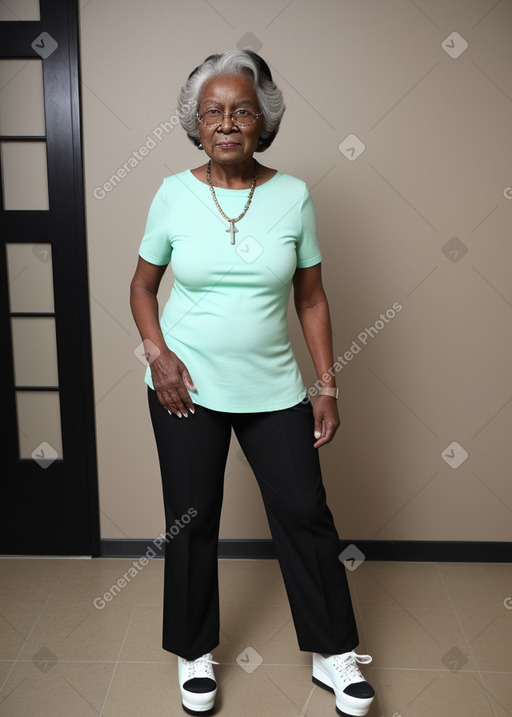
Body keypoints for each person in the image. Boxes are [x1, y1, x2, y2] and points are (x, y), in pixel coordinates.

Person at [130, 50, 374, 717]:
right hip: (186, 387)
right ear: (196, 121)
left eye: (242, 110)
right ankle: (193, 650)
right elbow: (143, 286)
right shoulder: (174, 194)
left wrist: (327, 386)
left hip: (274, 388)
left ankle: (333, 651)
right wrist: (158, 356)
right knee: (193, 518)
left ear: (262, 119)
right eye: (213, 111)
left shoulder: (292, 194)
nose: (228, 122)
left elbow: (313, 299)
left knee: (304, 512)